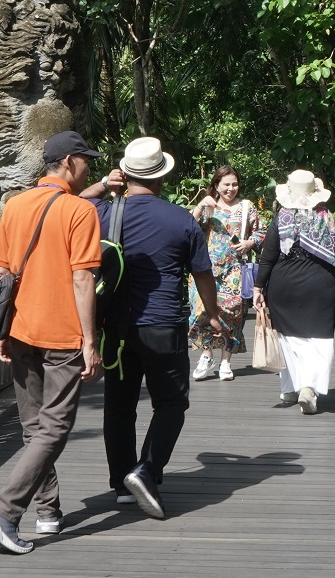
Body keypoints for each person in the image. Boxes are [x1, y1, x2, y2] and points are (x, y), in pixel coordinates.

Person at [0, 131, 105, 555]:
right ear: (68, 162)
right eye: (86, 160)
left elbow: (2, 274)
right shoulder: (79, 210)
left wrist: (2, 331)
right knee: (55, 427)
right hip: (62, 335)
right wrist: (90, 341)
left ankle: (47, 511)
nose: (89, 168)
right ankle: (4, 511)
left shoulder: (15, 205)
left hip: (21, 331)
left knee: (34, 427)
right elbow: (83, 278)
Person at [95, 136, 225, 520]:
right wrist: (212, 313)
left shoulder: (103, 213)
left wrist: (102, 184)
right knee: (171, 402)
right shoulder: (181, 219)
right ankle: (147, 470)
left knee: (119, 406)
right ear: (161, 177)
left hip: (116, 328)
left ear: (126, 174)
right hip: (164, 326)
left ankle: (122, 485)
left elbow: (69, 202)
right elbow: (202, 273)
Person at [255, 170, 335, 414]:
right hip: (320, 284)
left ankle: (290, 389)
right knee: (319, 340)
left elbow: (268, 256)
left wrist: (258, 287)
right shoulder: (327, 218)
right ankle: (308, 388)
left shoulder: (281, 218)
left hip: (283, 284)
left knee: (289, 338)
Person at [189, 165, 263, 381]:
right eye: (226, 184)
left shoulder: (247, 207)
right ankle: (206, 355)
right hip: (205, 270)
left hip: (234, 269)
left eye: (234, 184)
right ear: (216, 185)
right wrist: (201, 205)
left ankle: (225, 361)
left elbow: (261, 231)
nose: (231, 189)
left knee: (232, 314)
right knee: (201, 311)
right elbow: (188, 226)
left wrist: (249, 242)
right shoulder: (208, 206)